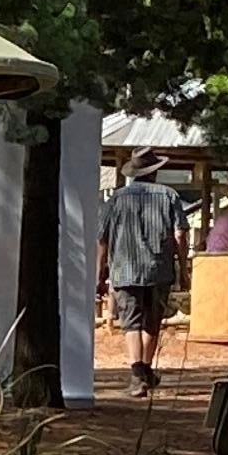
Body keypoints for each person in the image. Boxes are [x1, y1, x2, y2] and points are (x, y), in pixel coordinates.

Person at [100, 167, 184, 392]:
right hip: (159, 270)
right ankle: (146, 369)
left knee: (131, 322)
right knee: (152, 321)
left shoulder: (117, 198)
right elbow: (180, 234)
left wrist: (100, 272)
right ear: (154, 172)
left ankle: (138, 375)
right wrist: (183, 268)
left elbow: (102, 237)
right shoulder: (169, 195)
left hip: (125, 269)